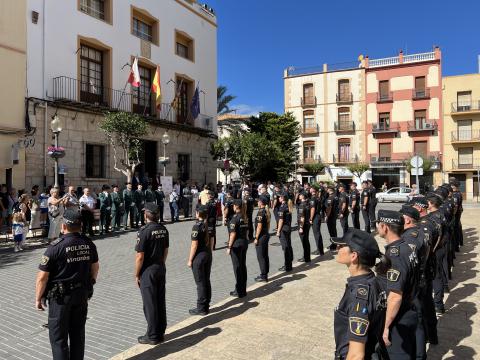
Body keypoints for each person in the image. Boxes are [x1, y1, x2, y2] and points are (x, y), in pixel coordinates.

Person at [35, 209, 99, 360]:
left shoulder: (55, 247)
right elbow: (95, 267)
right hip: (81, 294)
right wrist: (90, 284)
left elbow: (42, 277)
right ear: (80, 225)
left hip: (60, 299)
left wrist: (38, 298)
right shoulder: (88, 243)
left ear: (63, 226)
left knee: (59, 338)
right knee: (78, 334)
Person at [332, 228, 385, 360]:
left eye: (342, 246)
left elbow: (356, 354)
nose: (337, 248)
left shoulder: (359, 296)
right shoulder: (372, 280)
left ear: (354, 256)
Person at [376, 210, 419, 359]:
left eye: (378, 224)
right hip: (409, 310)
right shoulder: (407, 246)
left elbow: (395, 296)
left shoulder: (396, 255)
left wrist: (386, 327)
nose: (377, 227)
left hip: (398, 318)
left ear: (385, 227)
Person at [135, 203, 169, 344]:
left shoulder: (144, 231)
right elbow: (166, 250)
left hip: (148, 270)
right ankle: (160, 330)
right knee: (160, 300)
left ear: (146, 215)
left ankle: (153, 335)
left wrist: (137, 274)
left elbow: (140, 256)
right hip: (160, 267)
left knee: (150, 303)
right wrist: (161, 263)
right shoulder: (163, 229)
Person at [187, 205, 213, 315]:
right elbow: (212, 240)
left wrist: (190, 260)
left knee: (200, 283)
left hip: (199, 257)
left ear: (198, 213)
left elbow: (194, 245)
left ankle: (201, 308)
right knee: (206, 280)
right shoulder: (209, 225)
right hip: (207, 254)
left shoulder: (197, 226)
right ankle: (206, 304)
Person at [226, 199, 248, 298]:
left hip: (236, 245)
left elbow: (233, 233)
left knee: (237, 268)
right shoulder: (244, 216)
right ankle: (243, 288)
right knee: (243, 265)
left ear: (235, 206)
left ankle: (239, 291)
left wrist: (229, 247)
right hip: (244, 242)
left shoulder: (235, 218)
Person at [254, 195, 270, 282]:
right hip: (265, 235)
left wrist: (256, 237)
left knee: (261, 256)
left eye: (258, 201)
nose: (257, 202)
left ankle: (263, 275)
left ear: (261, 202)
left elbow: (259, 226)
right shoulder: (266, 211)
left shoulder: (261, 212)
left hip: (261, 237)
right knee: (265, 255)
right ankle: (265, 273)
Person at [276, 192, 293, 272]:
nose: (278, 198)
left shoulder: (282, 207)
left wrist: (278, 231)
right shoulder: (288, 206)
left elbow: (281, 220)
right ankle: (289, 263)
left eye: (279, 197)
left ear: (282, 198)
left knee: (285, 247)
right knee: (288, 245)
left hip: (283, 228)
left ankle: (287, 266)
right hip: (288, 227)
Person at [309, 187, 324, 256]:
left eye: (310, 189)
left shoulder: (313, 198)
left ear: (312, 191)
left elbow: (312, 209)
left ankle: (319, 250)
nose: (309, 190)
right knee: (318, 233)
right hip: (318, 216)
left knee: (316, 234)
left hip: (315, 217)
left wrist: (311, 218)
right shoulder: (318, 197)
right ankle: (320, 250)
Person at [297, 191, 311, 263]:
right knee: (306, 241)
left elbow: (302, 217)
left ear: (303, 196)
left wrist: (301, 227)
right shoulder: (307, 204)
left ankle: (306, 257)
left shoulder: (302, 205)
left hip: (303, 225)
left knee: (304, 242)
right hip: (307, 224)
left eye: (300, 195)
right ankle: (307, 257)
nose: (299, 196)